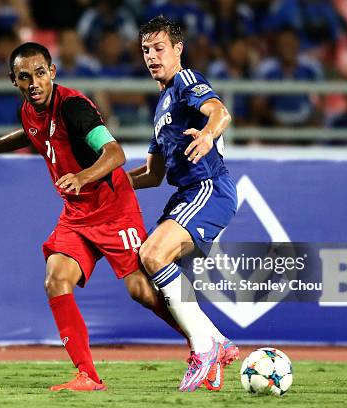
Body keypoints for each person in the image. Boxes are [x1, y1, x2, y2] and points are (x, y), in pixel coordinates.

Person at [0, 42, 188, 392]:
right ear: (13, 80)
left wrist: (82, 176)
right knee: (55, 278)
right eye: (25, 76)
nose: (34, 82)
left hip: (113, 208)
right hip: (77, 214)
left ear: (52, 72)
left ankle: (203, 343)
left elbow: (115, 153)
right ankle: (88, 375)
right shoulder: (29, 111)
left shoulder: (75, 107)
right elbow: (32, 134)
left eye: (39, 73)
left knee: (140, 290)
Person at [128, 16, 239, 393]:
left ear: (178, 49)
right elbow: (151, 174)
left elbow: (221, 112)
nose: (152, 56)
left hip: (208, 188)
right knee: (143, 281)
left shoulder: (185, 81)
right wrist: (104, 183)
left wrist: (208, 135)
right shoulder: (161, 106)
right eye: (146, 50)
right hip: (185, 196)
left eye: (159, 48)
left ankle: (204, 348)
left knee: (153, 254)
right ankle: (216, 342)